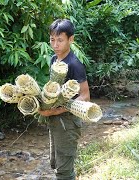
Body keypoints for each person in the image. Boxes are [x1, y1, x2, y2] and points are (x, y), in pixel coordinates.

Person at [38, 19, 90, 179]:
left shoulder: (75, 64)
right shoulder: (55, 59)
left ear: (71, 39)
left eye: (60, 40)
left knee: (64, 171)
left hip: (67, 122)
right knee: (55, 162)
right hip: (55, 121)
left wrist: (55, 111)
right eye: (52, 39)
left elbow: (85, 97)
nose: (55, 44)